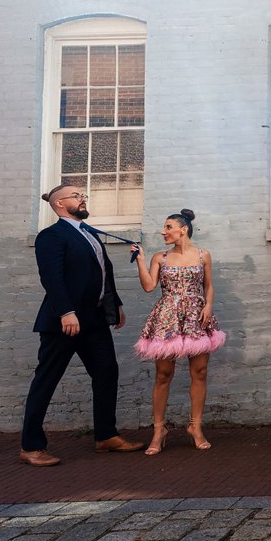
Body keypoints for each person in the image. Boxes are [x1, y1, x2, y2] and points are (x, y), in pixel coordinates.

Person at [20, 184, 143, 466]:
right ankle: (31, 446)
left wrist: (116, 304)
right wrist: (66, 312)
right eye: (77, 196)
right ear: (60, 204)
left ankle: (106, 436)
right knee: (47, 380)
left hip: (95, 320)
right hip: (64, 322)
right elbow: (51, 278)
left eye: (82, 195)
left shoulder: (88, 234)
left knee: (106, 372)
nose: (83, 198)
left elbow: (102, 272)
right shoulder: (50, 236)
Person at [131, 209, 224, 454]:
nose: (164, 231)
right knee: (163, 374)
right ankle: (159, 430)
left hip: (197, 315)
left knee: (200, 372)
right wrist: (140, 260)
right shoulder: (160, 257)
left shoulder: (203, 255)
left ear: (183, 229)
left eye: (169, 227)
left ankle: (196, 427)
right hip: (167, 316)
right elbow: (150, 286)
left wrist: (209, 305)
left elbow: (209, 285)